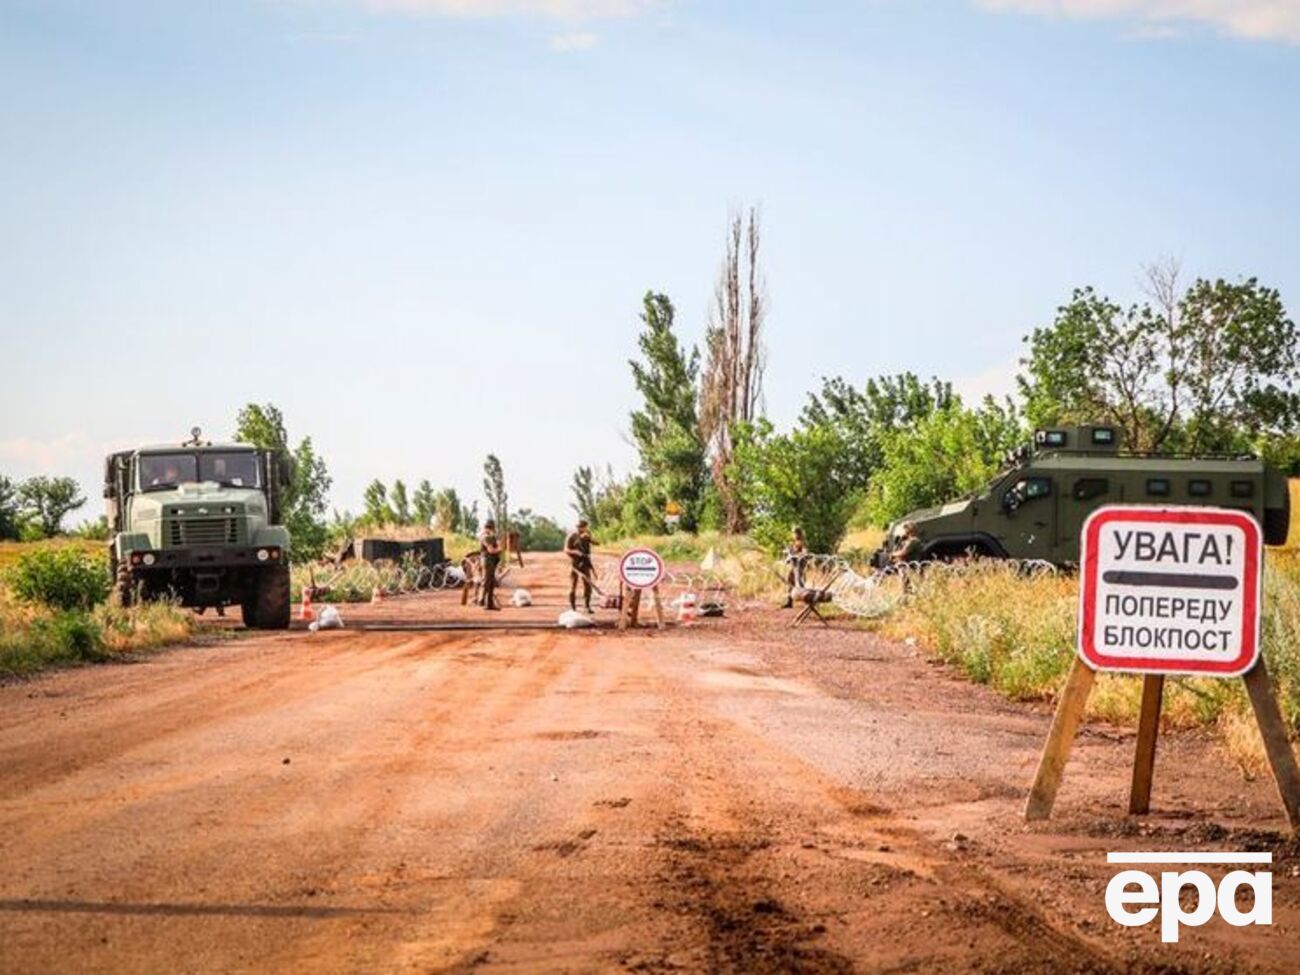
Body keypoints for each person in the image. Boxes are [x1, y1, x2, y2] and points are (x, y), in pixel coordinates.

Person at [564, 519, 595, 614]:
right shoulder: (571, 536)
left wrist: (589, 538)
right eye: (580, 527)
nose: (582, 529)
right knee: (573, 586)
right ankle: (573, 607)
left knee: (588, 585)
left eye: (584, 527)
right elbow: (566, 549)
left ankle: (587, 606)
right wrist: (575, 552)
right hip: (575, 563)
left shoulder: (587, 534)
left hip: (585, 562)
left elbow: (596, 543)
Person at [781, 526, 808, 609]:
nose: (793, 535)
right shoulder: (793, 543)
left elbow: (805, 553)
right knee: (790, 582)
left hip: (799, 566)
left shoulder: (802, 542)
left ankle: (807, 601)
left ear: (798, 533)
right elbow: (791, 552)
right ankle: (789, 601)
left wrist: (797, 555)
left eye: (794, 533)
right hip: (794, 565)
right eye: (793, 533)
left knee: (799, 583)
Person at [479, 520, 502, 610]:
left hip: (490, 561)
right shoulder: (485, 537)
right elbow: (491, 550)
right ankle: (481, 600)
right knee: (486, 581)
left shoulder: (490, 536)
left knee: (491, 582)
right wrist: (499, 548)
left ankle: (489, 604)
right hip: (487, 560)